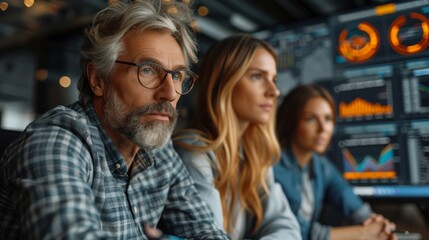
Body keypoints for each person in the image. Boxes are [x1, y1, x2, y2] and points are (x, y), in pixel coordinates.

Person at [0, 0, 229, 239]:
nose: (170, 93)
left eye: (178, 75)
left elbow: (207, 231)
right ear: (98, 79)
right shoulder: (55, 141)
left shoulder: (159, 149)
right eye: (148, 70)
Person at [173, 34, 301, 240]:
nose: (274, 91)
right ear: (224, 82)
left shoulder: (253, 153)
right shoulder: (193, 152)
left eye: (274, 79)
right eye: (257, 76)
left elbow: (286, 226)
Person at [274, 83, 397, 240]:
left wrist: (377, 224)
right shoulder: (272, 167)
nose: (322, 129)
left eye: (328, 119)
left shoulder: (320, 165)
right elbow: (292, 230)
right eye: (310, 119)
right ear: (291, 121)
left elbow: (350, 201)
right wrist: (363, 233)